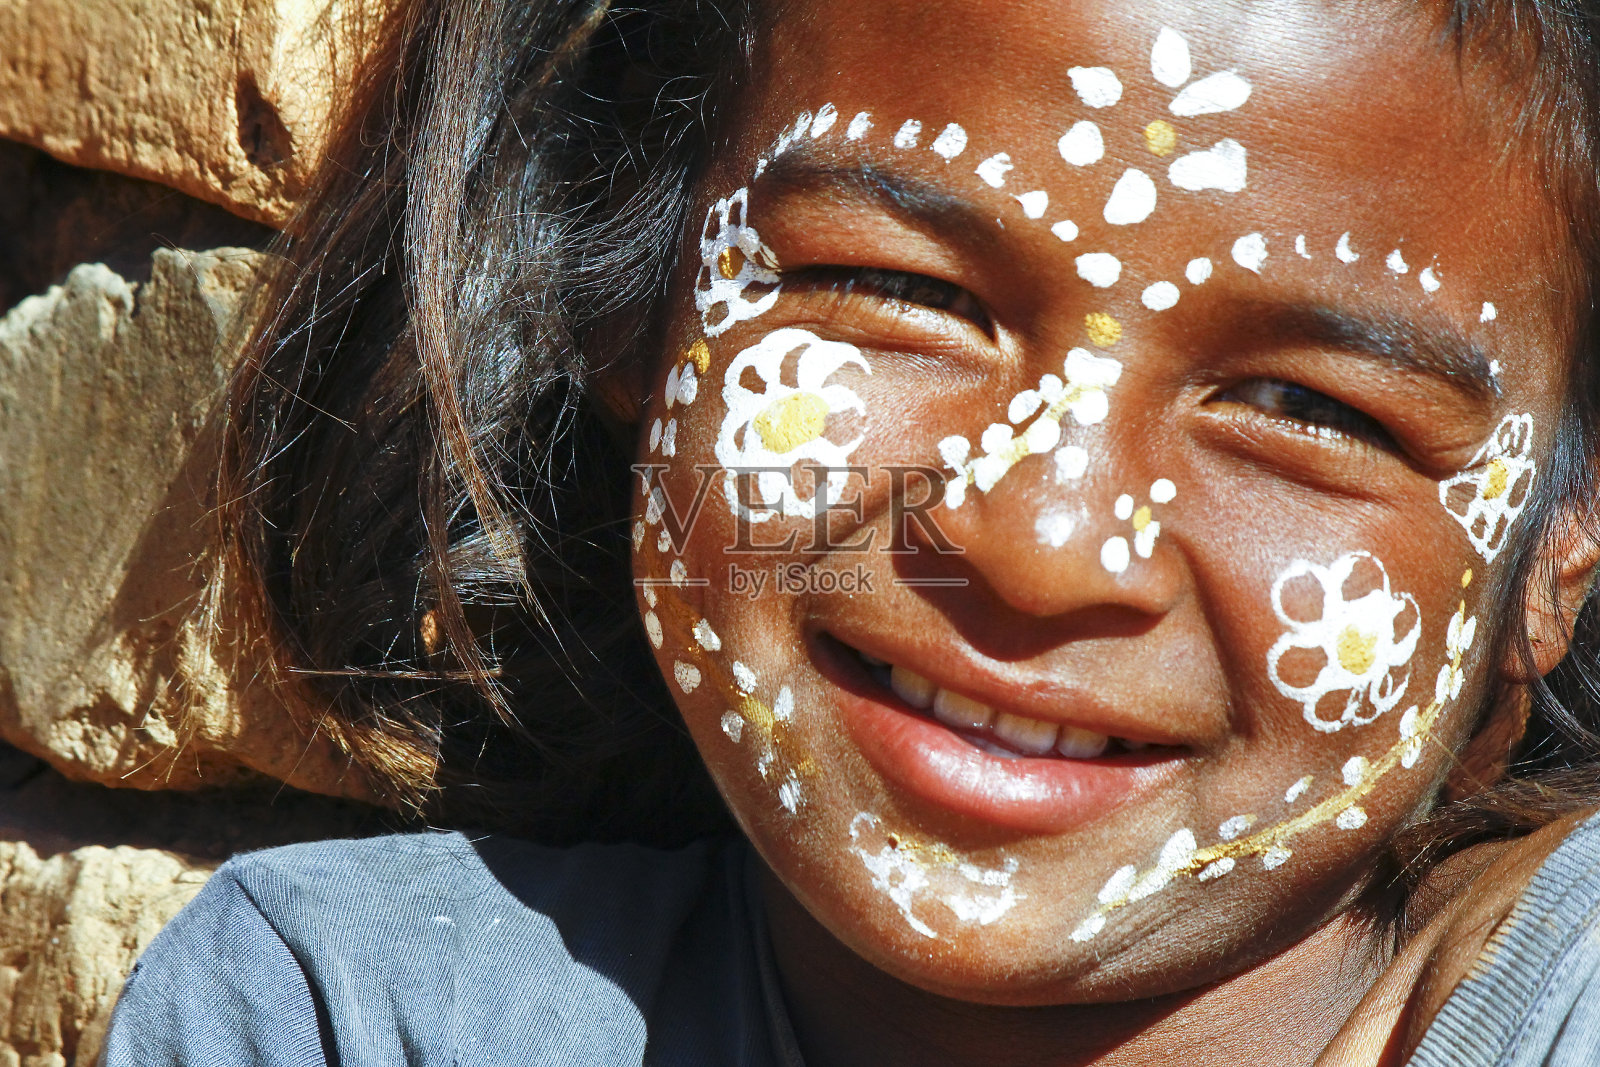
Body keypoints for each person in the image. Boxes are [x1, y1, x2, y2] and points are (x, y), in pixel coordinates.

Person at [101, 0, 1600, 1063]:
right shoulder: (353, 1015)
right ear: (634, 291)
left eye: (1310, 408)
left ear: (1551, 555)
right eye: (911, 297)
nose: (1041, 545)